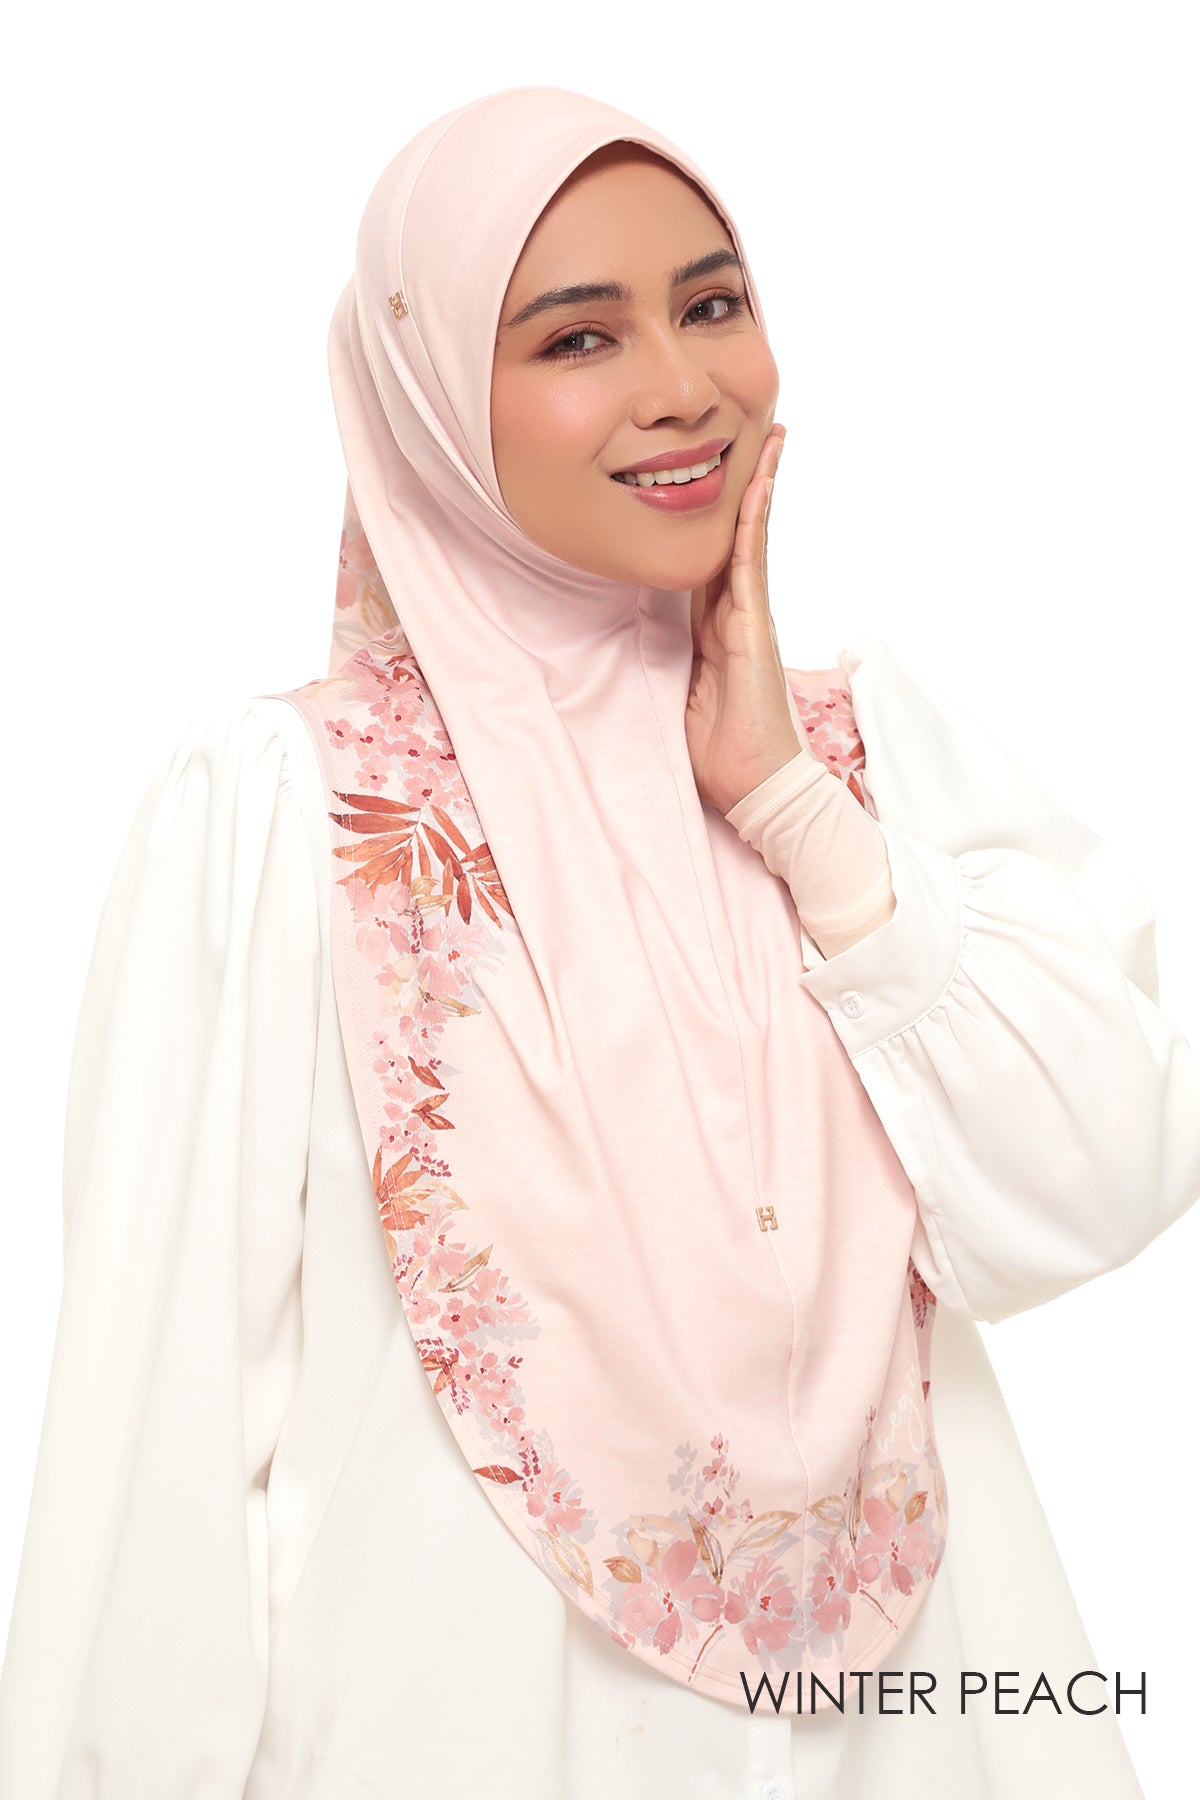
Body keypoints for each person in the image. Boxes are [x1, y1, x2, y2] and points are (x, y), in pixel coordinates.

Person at [0, 83, 1195, 1799]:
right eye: (578, 336)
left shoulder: (859, 759)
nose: (683, 385)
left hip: (919, 1728)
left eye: (713, 303)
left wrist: (792, 810)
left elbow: (1105, 1175)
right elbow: (163, 1418)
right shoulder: (296, 813)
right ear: (427, 399)